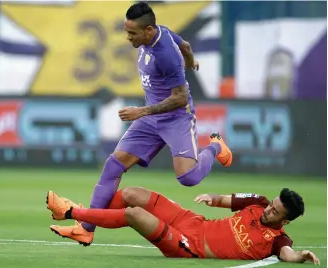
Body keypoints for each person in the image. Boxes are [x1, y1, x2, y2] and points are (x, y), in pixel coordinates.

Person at [51, 2, 232, 245]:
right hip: (150, 118)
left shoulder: (165, 55)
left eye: (132, 33)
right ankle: (85, 228)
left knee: (187, 178)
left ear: (148, 30)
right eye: (127, 32)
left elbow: (179, 99)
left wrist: (142, 111)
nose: (128, 37)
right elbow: (186, 45)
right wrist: (190, 60)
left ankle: (216, 148)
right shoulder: (160, 32)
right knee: (113, 165)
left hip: (176, 118)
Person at [46, 187, 320, 264]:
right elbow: (224, 199)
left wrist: (301, 256)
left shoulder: (278, 241)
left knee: (134, 214)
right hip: (192, 221)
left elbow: (287, 255)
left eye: (275, 211)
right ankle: (86, 227)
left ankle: (70, 212)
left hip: (188, 245)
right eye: (272, 203)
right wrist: (211, 199)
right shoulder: (258, 202)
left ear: (284, 221)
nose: (269, 209)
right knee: (132, 194)